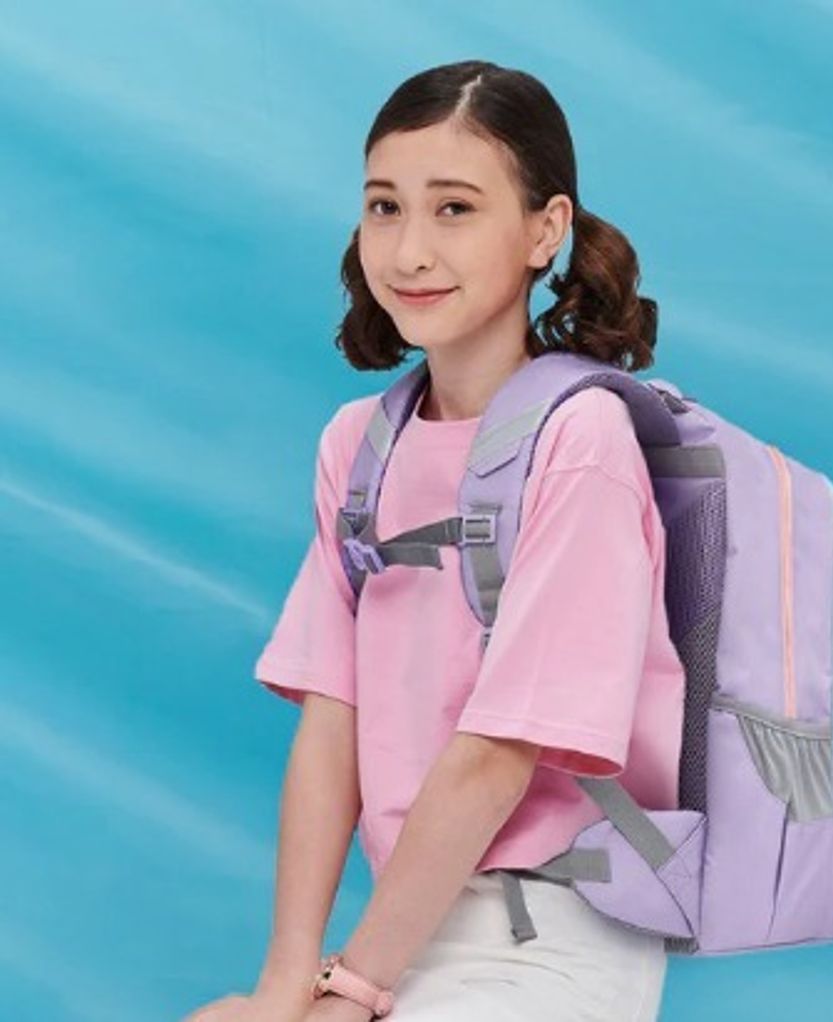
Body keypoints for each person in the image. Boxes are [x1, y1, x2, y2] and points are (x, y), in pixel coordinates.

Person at [183, 59, 684, 1022]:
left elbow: (499, 753)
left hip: (556, 933)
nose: (410, 251)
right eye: (385, 207)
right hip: (412, 918)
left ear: (545, 230)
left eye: (455, 209)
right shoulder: (360, 446)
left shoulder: (581, 440)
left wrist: (351, 993)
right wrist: (285, 984)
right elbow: (331, 721)